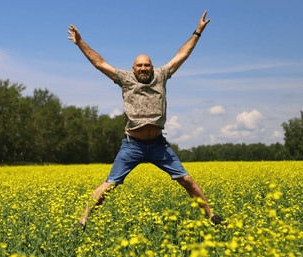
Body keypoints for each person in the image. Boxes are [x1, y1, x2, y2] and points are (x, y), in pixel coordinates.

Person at [68, 10, 224, 230]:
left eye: (147, 65)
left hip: (159, 145)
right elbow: (99, 63)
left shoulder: (161, 75)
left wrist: (197, 31)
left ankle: (211, 216)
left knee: (186, 180)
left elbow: (182, 55)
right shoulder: (125, 79)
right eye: (139, 65)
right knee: (110, 184)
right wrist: (80, 42)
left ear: (152, 67)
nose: (143, 68)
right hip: (132, 145)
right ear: (133, 69)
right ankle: (82, 220)